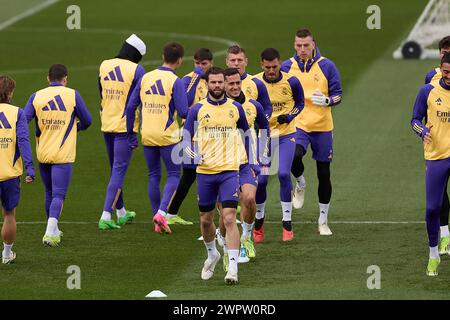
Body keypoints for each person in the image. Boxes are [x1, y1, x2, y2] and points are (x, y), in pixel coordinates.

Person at [183, 67, 256, 284]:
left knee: (230, 217)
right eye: (212, 82)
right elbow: (186, 138)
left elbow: (245, 134)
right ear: (207, 84)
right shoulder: (197, 110)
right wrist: (192, 154)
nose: (217, 86)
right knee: (206, 220)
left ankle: (232, 269)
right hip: (205, 173)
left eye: (220, 82)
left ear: (225, 83)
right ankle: (212, 253)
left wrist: (250, 162)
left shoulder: (235, 108)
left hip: (228, 170)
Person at [281, 29, 342, 236]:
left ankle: (323, 220)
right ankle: (300, 183)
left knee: (324, 173)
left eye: (306, 45)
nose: (302, 49)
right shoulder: (287, 67)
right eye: (298, 45)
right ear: (294, 45)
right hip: (298, 124)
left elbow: (338, 95)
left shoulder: (327, 66)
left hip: (323, 127)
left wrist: (327, 101)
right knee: (294, 156)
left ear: (313, 44)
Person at [25, 64, 92, 247]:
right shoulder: (72, 95)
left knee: (49, 192)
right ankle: (49, 233)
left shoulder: (36, 96)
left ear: (48, 78)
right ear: (65, 79)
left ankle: (53, 228)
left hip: (43, 152)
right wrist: (75, 128)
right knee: (59, 194)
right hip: (63, 154)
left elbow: (24, 120)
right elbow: (87, 120)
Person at [126, 42, 188, 234]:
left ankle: (156, 221)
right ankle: (161, 213)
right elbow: (184, 111)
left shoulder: (146, 77)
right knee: (174, 175)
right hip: (168, 136)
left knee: (153, 175)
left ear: (162, 55)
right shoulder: (175, 81)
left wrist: (131, 134)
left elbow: (130, 107)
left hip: (147, 134)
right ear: (180, 61)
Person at [217, 68, 269, 270]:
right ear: (223, 84)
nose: (235, 86)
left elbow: (264, 128)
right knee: (226, 212)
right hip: (221, 165)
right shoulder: (213, 107)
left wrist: (262, 157)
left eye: (238, 82)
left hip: (246, 163)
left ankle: (246, 237)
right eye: (231, 83)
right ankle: (225, 244)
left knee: (248, 198)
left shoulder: (253, 106)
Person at [252, 48, 304, 243]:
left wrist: (289, 116)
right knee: (262, 180)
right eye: (268, 67)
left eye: (274, 66)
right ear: (261, 65)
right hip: (264, 136)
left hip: (285, 135)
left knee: (283, 174)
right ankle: (259, 222)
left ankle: (287, 223)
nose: (272, 70)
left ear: (280, 63)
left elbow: (300, 103)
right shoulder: (255, 83)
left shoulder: (291, 81)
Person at [98, 34, 147, 230]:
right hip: (124, 128)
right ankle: (105, 214)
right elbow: (139, 100)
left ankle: (121, 212)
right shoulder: (137, 69)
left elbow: (100, 91)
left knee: (115, 171)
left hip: (106, 123)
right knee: (118, 171)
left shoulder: (104, 64)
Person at [164, 48, 214, 225]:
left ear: (211, 64)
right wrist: (195, 77)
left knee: (191, 176)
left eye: (204, 64)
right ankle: (171, 214)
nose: (200, 67)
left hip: (212, 137)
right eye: (197, 63)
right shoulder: (187, 79)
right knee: (194, 174)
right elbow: (184, 104)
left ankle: (170, 213)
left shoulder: (215, 80)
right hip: (191, 137)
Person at [411, 52, 450, 276]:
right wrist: (422, 130)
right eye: (445, 72)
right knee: (432, 208)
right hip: (436, 157)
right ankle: (433, 254)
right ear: (440, 70)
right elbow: (414, 120)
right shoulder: (428, 91)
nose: (448, 76)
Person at [0, 75, 34, 263]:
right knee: (9, 214)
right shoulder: (17, 113)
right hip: (9, 174)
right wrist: (29, 167)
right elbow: (23, 141)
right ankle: (6, 255)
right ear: (10, 93)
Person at [423, 36, 450, 254]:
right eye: (443, 51)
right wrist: (423, 131)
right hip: (436, 145)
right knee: (439, 196)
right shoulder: (431, 78)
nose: (445, 54)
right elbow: (424, 109)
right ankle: (444, 233)